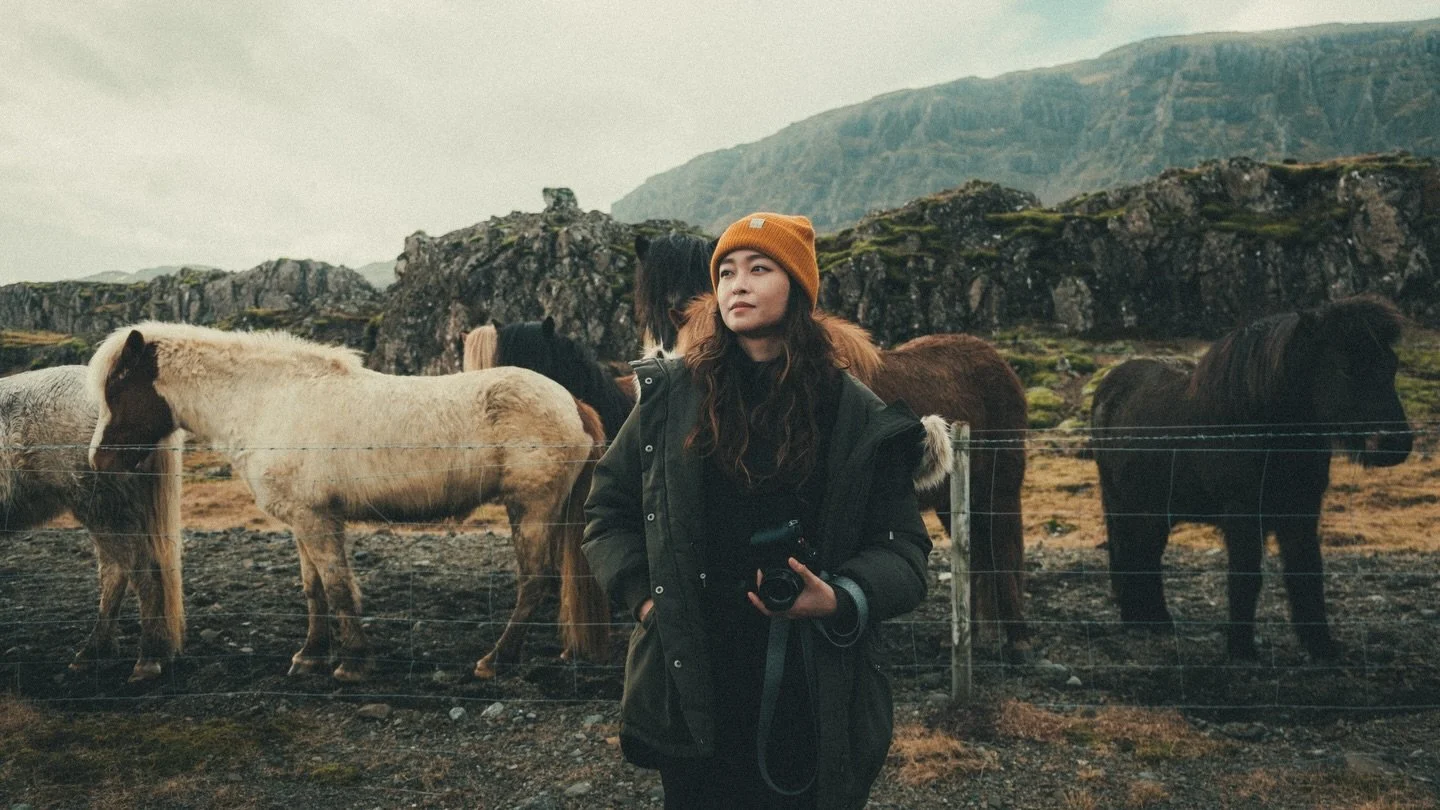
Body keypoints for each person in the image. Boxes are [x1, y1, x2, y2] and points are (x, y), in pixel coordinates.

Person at [583, 212, 934, 809]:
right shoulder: (672, 400)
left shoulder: (855, 414)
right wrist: (649, 603)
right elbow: (606, 516)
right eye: (725, 271)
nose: (736, 284)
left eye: (759, 268)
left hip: (813, 678)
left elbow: (905, 553)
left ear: (798, 286)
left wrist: (841, 597)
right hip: (695, 673)